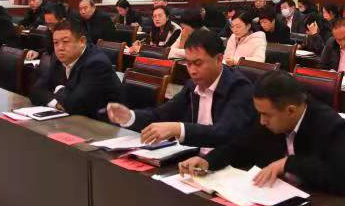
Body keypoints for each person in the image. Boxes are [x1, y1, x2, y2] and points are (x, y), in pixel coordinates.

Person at [178, 71, 345, 206]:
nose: (262, 121)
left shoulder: (329, 125)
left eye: (266, 115)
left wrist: (288, 163)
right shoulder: (270, 118)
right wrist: (207, 161)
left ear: (291, 110)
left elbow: (341, 179)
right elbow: (241, 146)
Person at [108, 29, 255, 149]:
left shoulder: (239, 87)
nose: (192, 71)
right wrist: (130, 117)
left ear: (219, 59)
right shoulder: (192, 85)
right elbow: (162, 115)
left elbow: (225, 132)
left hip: (229, 167)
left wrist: (179, 129)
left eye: (198, 63)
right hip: (194, 160)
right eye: (189, 64)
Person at [30, 19, 122, 117]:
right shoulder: (57, 58)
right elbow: (36, 91)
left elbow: (75, 104)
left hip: (102, 122)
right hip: (75, 118)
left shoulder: (96, 63)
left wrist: (58, 89)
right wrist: (56, 104)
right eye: (56, 42)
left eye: (65, 41)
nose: (60, 48)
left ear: (82, 41)